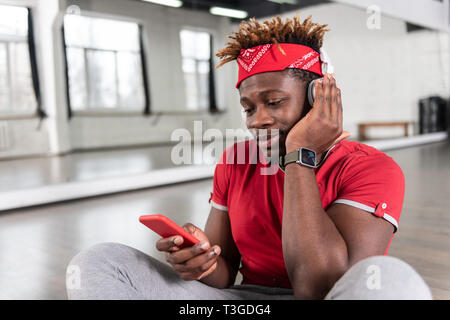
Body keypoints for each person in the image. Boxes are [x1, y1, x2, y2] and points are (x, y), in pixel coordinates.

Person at [66, 15, 432, 300]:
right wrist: (201, 262)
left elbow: (318, 287)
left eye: (274, 103)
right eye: (248, 108)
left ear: (319, 97)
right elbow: (224, 275)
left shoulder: (371, 167)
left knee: (392, 281)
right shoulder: (236, 161)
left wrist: (299, 155)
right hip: (245, 302)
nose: (259, 120)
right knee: (100, 262)